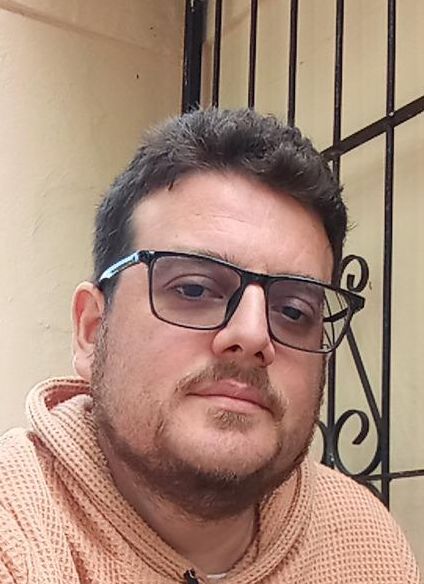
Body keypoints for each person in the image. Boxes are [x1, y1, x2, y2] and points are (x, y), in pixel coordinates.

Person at [0, 108, 420, 584]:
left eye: (293, 311)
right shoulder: (17, 536)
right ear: (93, 330)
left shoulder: (365, 541)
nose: (253, 335)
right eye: (195, 289)